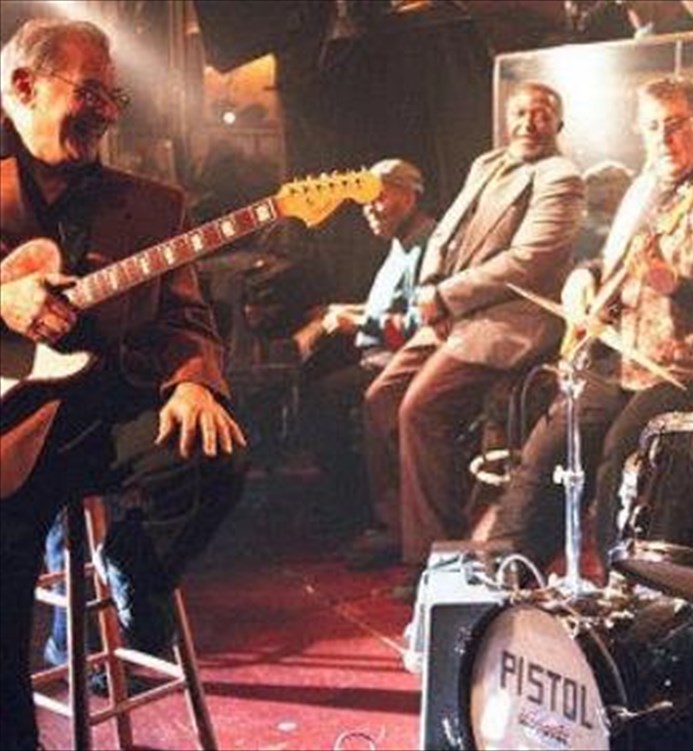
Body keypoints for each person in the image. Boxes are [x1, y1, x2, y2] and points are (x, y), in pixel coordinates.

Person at [0, 19, 246, 749]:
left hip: (106, 410)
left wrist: (193, 381)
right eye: (90, 93)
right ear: (24, 86)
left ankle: (134, 569)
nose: (106, 113)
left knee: (213, 456)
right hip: (9, 432)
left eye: (114, 97)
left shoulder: (155, 206)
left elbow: (186, 317)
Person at [487, 75, 693, 572]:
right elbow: (613, 265)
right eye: (653, 127)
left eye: (676, 125)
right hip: (623, 359)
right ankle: (507, 570)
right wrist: (584, 275)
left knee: (622, 452)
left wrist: (677, 284)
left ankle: (618, 585)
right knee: (550, 446)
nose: (664, 138)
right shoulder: (644, 189)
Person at [355, 81, 584, 576]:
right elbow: (444, 233)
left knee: (420, 409)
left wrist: (446, 296)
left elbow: (529, 262)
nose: (529, 123)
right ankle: (397, 525)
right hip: (457, 313)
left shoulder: (561, 177)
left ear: (558, 123)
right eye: (520, 113)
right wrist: (430, 287)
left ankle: (434, 554)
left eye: (541, 114)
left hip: (509, 319)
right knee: (381, 400)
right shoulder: (487, 163)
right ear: (506, 119)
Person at [295, 158, 436, 562]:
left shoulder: (428, 245)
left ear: (409, 197)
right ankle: (354, 511)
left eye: (378, 198)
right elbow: (390, 307)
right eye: (364, 202)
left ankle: (379, 521)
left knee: (324, 401)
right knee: (317, 386)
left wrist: (354, 322)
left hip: (403, 362)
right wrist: (340, 310)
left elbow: (419, 324)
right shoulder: (401, 245)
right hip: (381, 357)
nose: (369, 210)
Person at [572, 159, 634, 263]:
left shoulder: (631, 223)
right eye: (606, 182)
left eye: (625, 184)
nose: (619, 189)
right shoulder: (579, 227)